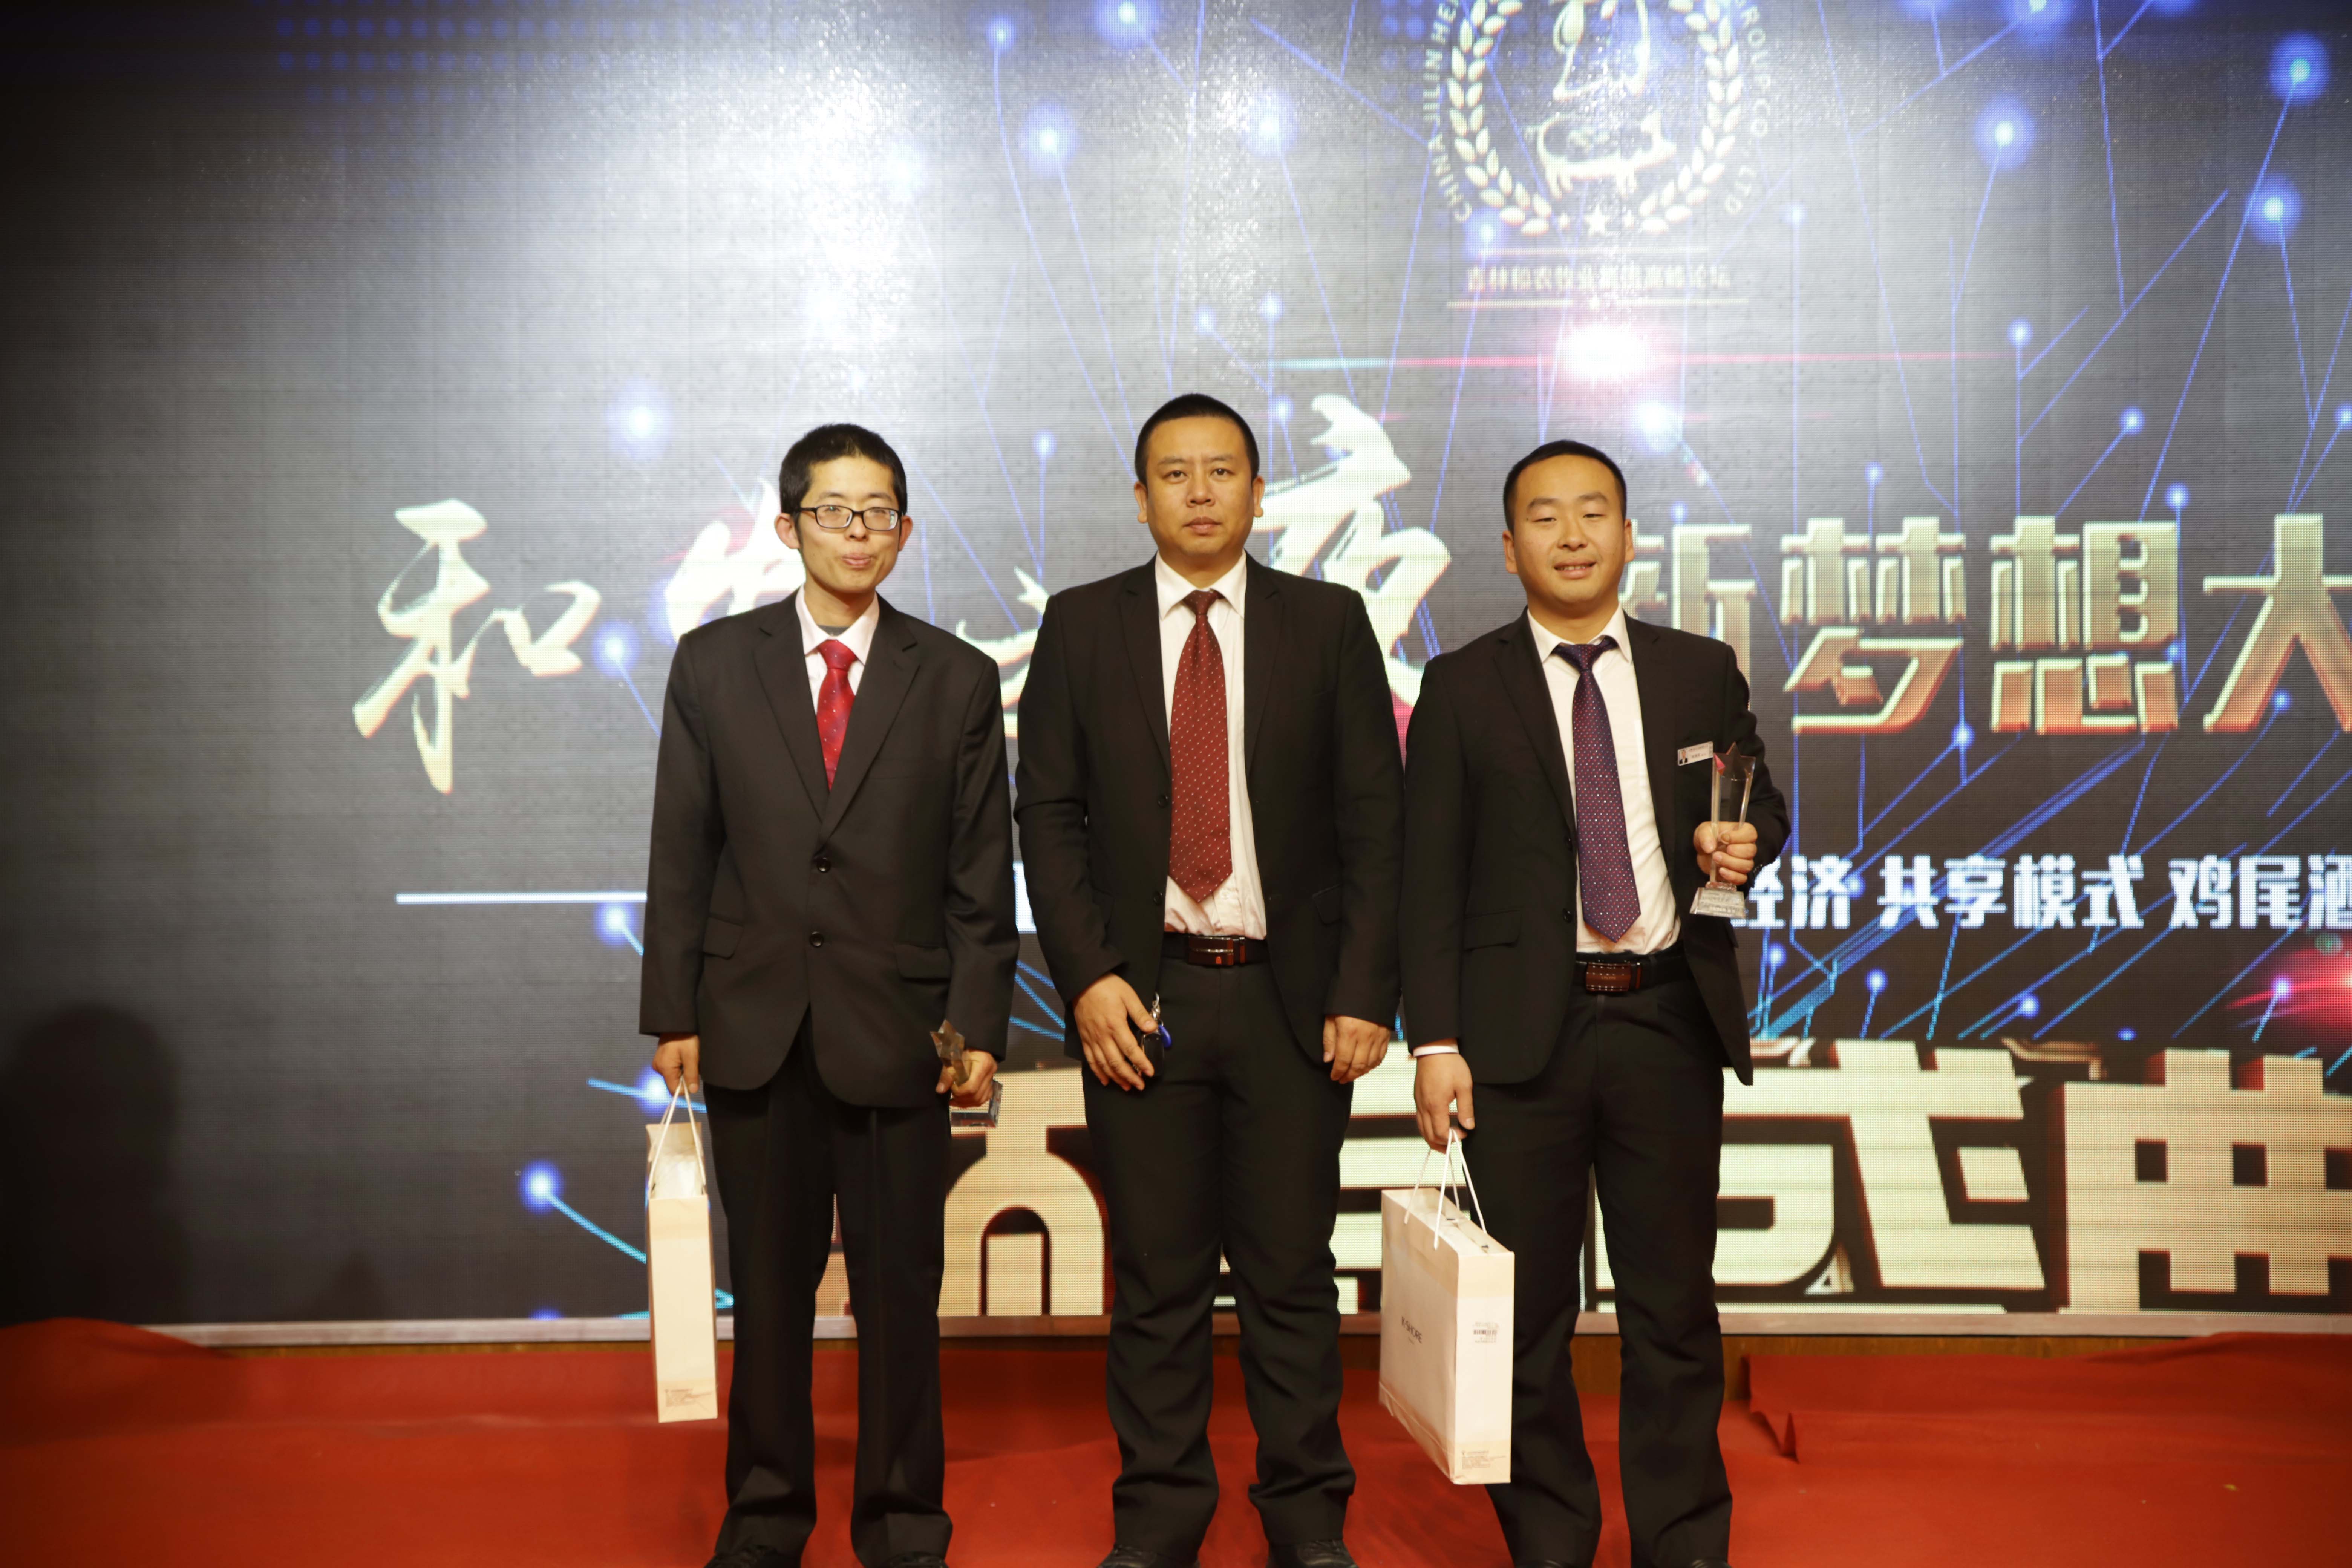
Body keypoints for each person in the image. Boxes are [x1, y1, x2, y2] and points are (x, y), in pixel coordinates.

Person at [1015, 393, 1404, 1568]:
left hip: (1291, 1005)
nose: (1199, 492)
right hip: (1145, 1004)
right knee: (1158, 1284)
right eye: (1175, 474)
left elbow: (1374, 820)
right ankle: (1158, 1524)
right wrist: (1087, 978)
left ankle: (1307, 1524)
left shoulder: (1325, 623)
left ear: (1259, 492)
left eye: (1222, 471)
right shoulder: (1083, 625)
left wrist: (1363, 990)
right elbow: (1051, 816)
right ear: (1140, 498)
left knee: (1291, 1280)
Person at [1400, 439, 1785, 1568]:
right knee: (1525, 1320)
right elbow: (1428, 879)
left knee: (1674, 1308)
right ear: (1508, 544)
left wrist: (1745, 841)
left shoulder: (1699, 670)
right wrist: (1435, 1040)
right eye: (1545, 516)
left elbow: (1757, 800)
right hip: (1521, 1038)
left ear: (1628, 536)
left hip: (1668, 1018)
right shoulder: (1461, 686)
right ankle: (1551, 1540)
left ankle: (1683, 1541)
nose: (1571, 536)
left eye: (1593, 513)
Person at [639, 423, 1018, 1568]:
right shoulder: (715, 664)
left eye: (879, 512)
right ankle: (764, 1519)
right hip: (754, 1028)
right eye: (834, 511)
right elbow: (683, 852)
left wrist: (977, 1028)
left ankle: (902, 1525)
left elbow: (978, 874)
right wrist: (675, 1013)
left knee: (901, 1296)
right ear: (788, 524)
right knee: (767, 1294)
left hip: (902, 1034)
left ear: (904, 532)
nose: (859, 532)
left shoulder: (955, 677)